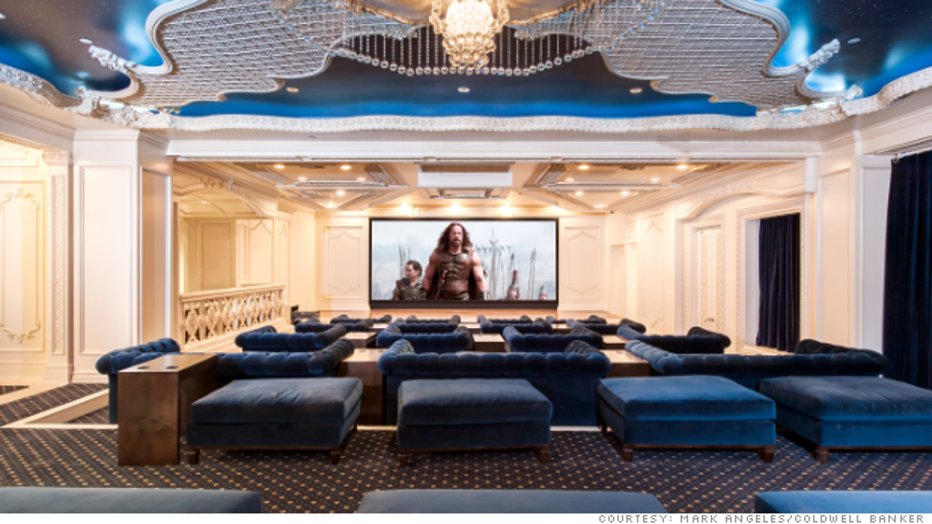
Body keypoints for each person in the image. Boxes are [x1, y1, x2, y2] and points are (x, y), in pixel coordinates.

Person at [422, 222, 488, 300]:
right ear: (448, 236)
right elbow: (428, 278)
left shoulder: (472, 256)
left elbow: (480, 279)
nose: (457, 236)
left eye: (459, 233)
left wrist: (484, 299)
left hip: (464, 300)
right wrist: (422, 296)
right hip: (442, 300)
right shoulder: (437, 255)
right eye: (454, 233)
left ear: (463, 236)